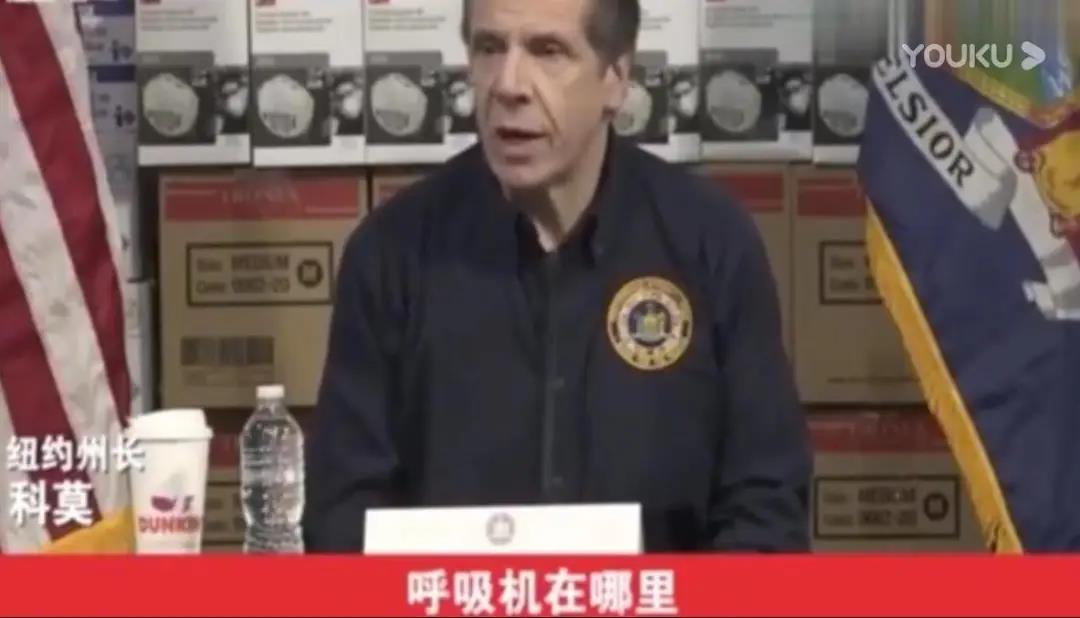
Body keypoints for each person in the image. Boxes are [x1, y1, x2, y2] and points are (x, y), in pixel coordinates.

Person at [302, 0, 812, 553]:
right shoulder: (390, 252)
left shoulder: (711, 241)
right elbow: (343, 513)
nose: (508, 85)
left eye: (548, 51)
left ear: (615, 78)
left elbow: (766, 506)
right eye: (489, 48)